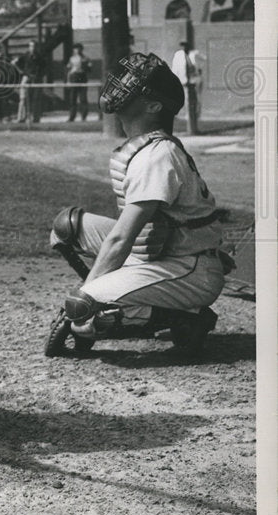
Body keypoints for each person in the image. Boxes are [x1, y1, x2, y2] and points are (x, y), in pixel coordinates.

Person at [45, 52, 231, 356]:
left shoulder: (157, 156)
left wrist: (84, 295)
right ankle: (117, 294)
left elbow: (121, 238)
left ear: (154, 106)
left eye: (133, 86)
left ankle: (189, 316)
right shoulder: (148, 146)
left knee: (86, 316)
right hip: (163, 252)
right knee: (66, 226)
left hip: (189, 267)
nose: (121, 87)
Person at [171, 41, 203, 128]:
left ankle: (194, 120)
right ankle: (189, 120)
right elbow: (175, 68)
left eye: (186, 46)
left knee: (195, 101)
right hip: (184, 81)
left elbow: (200, 63)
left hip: (194, 81)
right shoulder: (178, 55)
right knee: (186, 101)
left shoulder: (194, 54)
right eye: (183, 47)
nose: (184, 48)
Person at [65, 43, 92, 122]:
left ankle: (84, 116)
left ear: (81, 49)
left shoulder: (86, 58)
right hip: (74, 78)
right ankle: (72, 116)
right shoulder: (72, 59)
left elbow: (89, 70)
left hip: (82, 77)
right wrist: (68, 81)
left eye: (79, 48)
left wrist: (88, 66)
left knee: (83, 98)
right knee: (72, 99)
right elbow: (68, 71)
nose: (77, 50)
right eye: (76, 49)